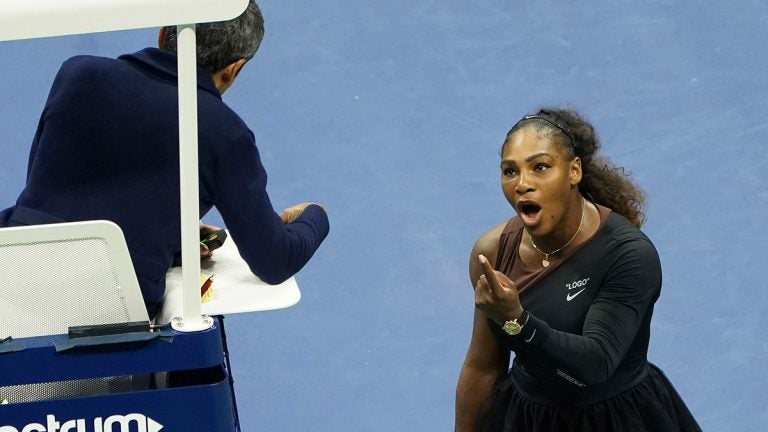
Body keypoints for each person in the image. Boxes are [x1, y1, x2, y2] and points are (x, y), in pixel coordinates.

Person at [0, 1, 329, 319]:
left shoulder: (77, 73)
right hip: (107, 308)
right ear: (233, 69)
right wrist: (314, 217)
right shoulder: (224, 132)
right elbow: (274, 260)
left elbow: (47, 186)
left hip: (11, 273)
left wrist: (169, 234)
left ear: (162, 33)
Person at [455, 108, 701, 431]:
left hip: (616, 421)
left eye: (540, 167)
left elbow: (594, 366)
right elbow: (483, 367)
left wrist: (516, 321)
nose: (522, 184)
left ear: (574, 171)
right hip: (530, 420)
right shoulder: (492, 252)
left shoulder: (628, 255)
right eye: (510, 171)